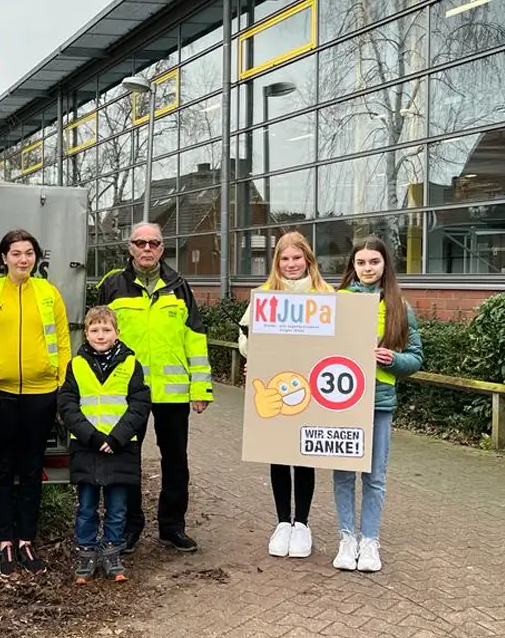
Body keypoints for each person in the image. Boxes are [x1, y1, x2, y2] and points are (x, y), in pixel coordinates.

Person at [98, 221, 213, 554]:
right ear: (130, 247)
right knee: (126, 459)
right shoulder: (113, 286)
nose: (147, 249)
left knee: (175, 461)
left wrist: (201, 388)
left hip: (172, 393)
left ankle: (172, 527)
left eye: (154, 243)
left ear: (163, 249)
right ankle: (130, 527)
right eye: (140, 242)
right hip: (126, 393)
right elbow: (98, 335)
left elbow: (195, 338)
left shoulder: (179, 286)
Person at [0, 229, 72, 576]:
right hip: (0, 393)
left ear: (36, 257)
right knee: (2, 469)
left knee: (31, 470)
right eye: (16, 253)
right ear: (3, 258)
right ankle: (4, 543)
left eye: (29, 253)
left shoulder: (48, 293)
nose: (23, 259)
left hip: (42, 394)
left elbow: (62, 341)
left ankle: (26, 540)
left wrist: (62, 389)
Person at [237, 231, 334, 559]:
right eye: (285, 258)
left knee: (305, 456)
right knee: (278, 452)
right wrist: (256, 361)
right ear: (277, 262)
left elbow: (340, 341)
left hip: (311, 390)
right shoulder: (265, 296)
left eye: (297, 257)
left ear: (308, 259)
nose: (291, 264)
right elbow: (246, 336)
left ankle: (302, 524)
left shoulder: (327, 296)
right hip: (276, 387)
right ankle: (282, 522)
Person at [332, 236, 423, 573]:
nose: (367, 268)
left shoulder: (400, 306)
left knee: (374, 476)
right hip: (341, 403)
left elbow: (415, 358)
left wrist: (393, 359)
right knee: (343, 475)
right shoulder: (337, 301)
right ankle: (346, 538)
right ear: (352, 266)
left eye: (374, 262)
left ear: (385, 264)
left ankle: (369, 540)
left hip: (379, 403)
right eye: (361, 263)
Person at [58, 306, 151, 585]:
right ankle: (86, 553)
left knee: (118, 506)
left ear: (117, 333)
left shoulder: (131, 364)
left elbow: (139, 405)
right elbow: (68, 405)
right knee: (86, 506)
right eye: (94, 330)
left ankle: (112, 551)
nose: (101, 335)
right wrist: (94, 437)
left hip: (120, 448)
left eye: (106, 329)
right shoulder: (76, 365)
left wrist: (116, 438)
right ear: (86, 334)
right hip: (88, 447)